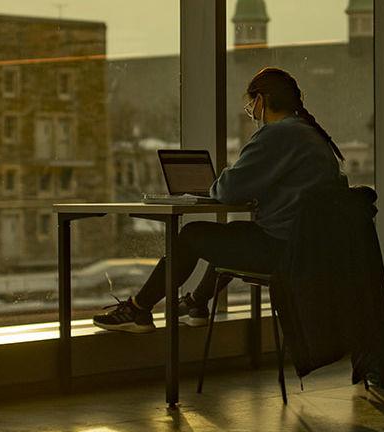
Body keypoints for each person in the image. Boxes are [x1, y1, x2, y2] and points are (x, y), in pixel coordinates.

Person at [92, 67, 349, 333]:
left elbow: (227, 190)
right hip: (312, 251)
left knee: (192, 235)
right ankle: (197, 303)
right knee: (228, 236)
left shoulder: (277, 134)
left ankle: (138, 309)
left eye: (251, 105)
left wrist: (224, 178)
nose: (252, 112)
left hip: (282, 252)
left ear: (260, 100)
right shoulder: (313, 137)